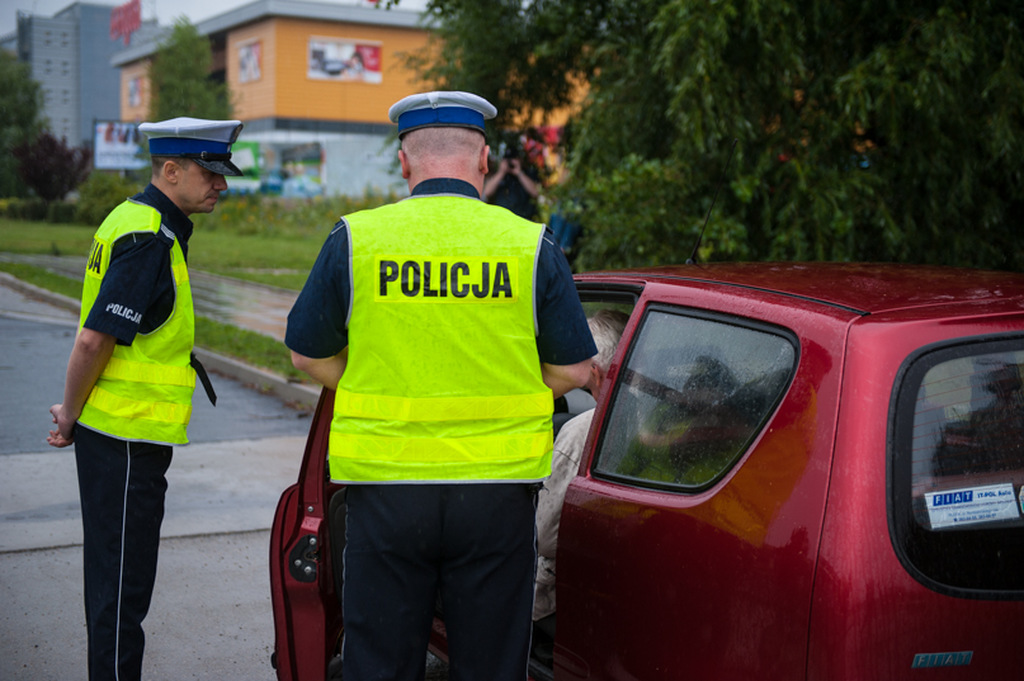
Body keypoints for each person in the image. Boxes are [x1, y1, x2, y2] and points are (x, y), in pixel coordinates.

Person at [285, 90, 597, 681]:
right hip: (496, 496)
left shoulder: (355, 239)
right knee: (490, 666)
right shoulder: (530, 244)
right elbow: (577, 371)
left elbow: (306, 353)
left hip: (386, 490)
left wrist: (374, 380)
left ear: (404, 163)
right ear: (483, 160)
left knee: (379, 664)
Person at [47, 116, 243, 681]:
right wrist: (70, 415)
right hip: (124, 440)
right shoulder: (147, 239)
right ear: (172, 170)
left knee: (117, 586)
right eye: (210, 173)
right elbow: (93, 337)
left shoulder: (137, 222)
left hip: (125, 439)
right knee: (119, 594)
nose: (220, 186)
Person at [534, 309, 629, 624]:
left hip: (563, 597)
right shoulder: (661, 419)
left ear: (598, 373)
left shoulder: (582, 431)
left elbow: (543, 537)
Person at [482, 139, 541, 219]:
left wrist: (519, 173)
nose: (510, 163)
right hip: (502, 220)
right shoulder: (498, 175)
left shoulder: (527, 174)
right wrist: (501, 173)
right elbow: (486, 192)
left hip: (523, 219)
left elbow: (536, 193)